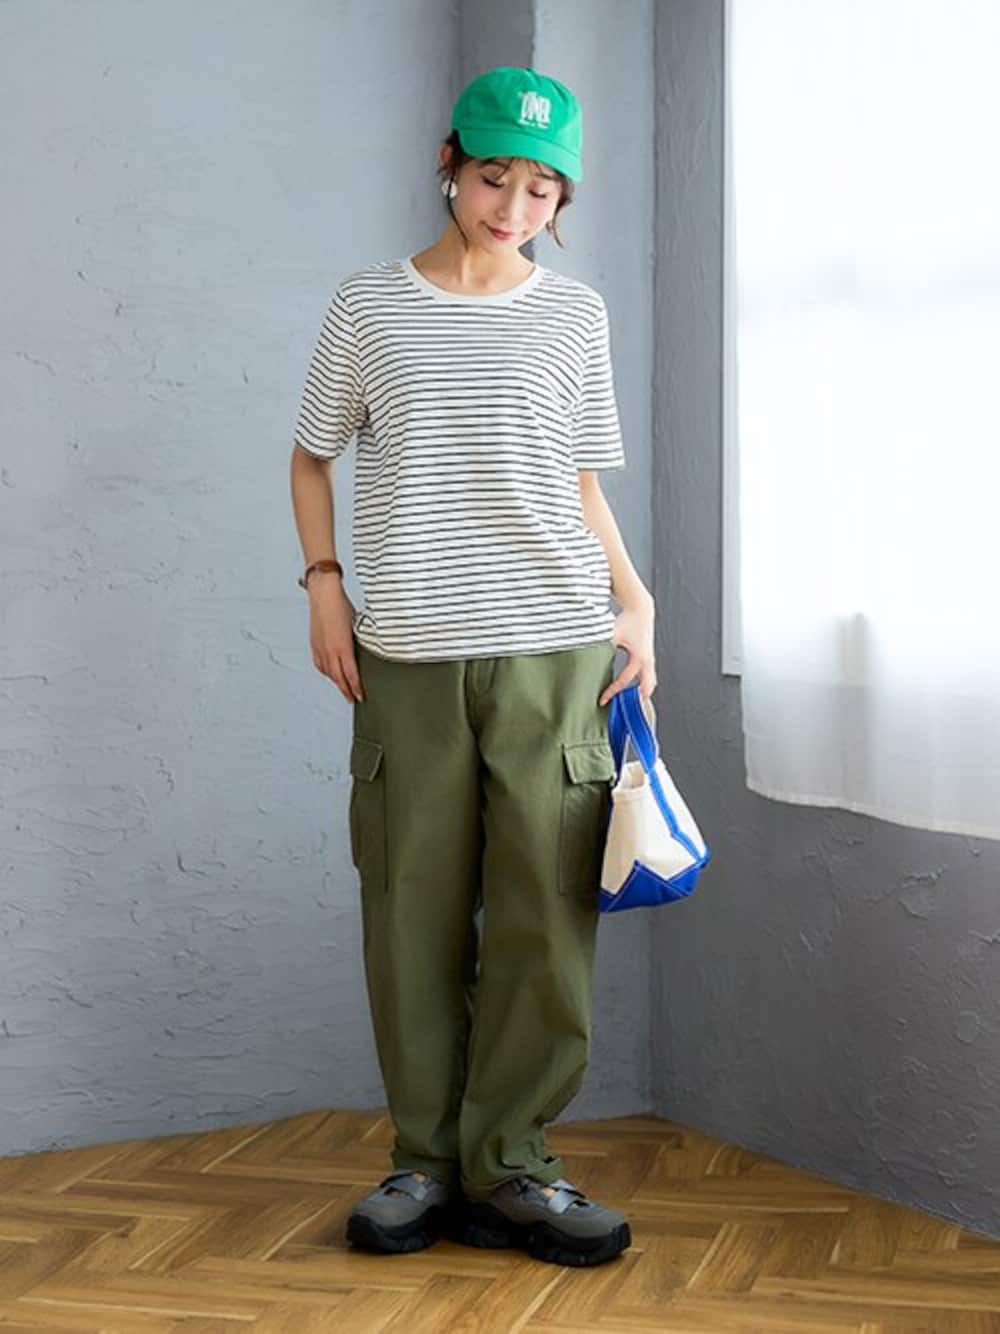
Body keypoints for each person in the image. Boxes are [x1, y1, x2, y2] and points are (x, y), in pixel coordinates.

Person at [289, 66, 656, 1269]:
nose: (514, 207)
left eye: (542, 188)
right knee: (412, 908)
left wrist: (635, 599)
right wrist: (324, 583)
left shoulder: (575, 315)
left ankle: (513, 1162)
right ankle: (424, 1161)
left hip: (555, 646)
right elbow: (310, 455)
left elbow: (575, 477)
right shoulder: (368, 305)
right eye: (496, 176)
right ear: (449, 162)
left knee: (545, 911)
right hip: (407, 649)